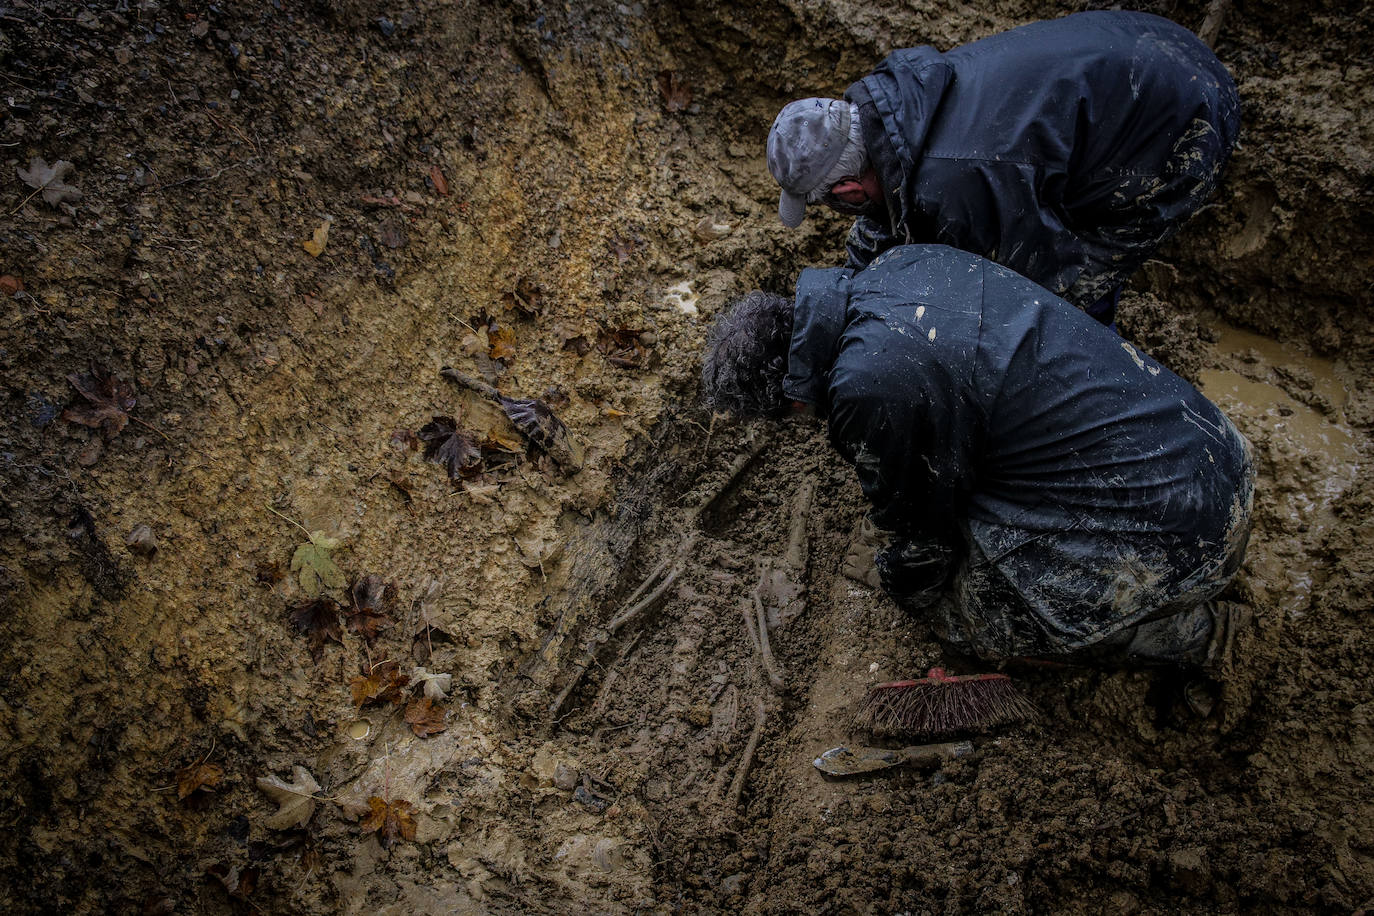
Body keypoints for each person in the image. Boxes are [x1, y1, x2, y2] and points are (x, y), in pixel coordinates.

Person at [701, 244, 1254, 670]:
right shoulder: (900, 262)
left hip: (1181, 535)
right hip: (1210, 446)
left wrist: (906, 580)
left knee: (985, 622)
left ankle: (1196, 636)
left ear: (792, 397)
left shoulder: (866, 386)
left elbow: (923, 527)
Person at [766, 11, 1240, 327]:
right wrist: (849, 288)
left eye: (825, 202)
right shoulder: (897, 105)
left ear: (847, 188)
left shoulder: (960, 181)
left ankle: (1098, 380)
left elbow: (1037, 275)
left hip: (1180, 119)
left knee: (1065, 294)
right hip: (1145, 42)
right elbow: (892, 201)